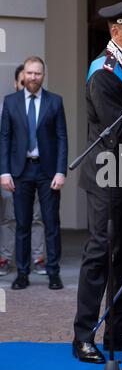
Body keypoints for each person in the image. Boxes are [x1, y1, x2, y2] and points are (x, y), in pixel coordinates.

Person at [73, 0, 122, 363]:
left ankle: (118, 329)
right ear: (116, 30)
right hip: (108, 174)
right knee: (100, 254)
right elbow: (120, 130)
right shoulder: (103, 72)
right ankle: (83, 334)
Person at [0, 56, 68, 290]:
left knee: (51, 223)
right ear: (23, 75)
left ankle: (53, 273)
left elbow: (62, 138)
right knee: (22, 223)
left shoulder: (55, 102)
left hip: (47, 171)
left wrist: (61, 171)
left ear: (43, 75)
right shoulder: (11, 102)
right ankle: (22, 273)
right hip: (20, 170)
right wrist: (4, 172)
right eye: (29, 73)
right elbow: (5, 139)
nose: (33, 77)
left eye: (37, 73)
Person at [0, 64, 46, 277]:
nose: (28, 82)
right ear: (16, 83)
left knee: (36, 216)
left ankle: (38, 258)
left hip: (36, 170)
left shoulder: (42, 105)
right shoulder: (6, 107)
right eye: (22, 80)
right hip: (11, 172)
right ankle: (6, 258)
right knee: (10, 217)